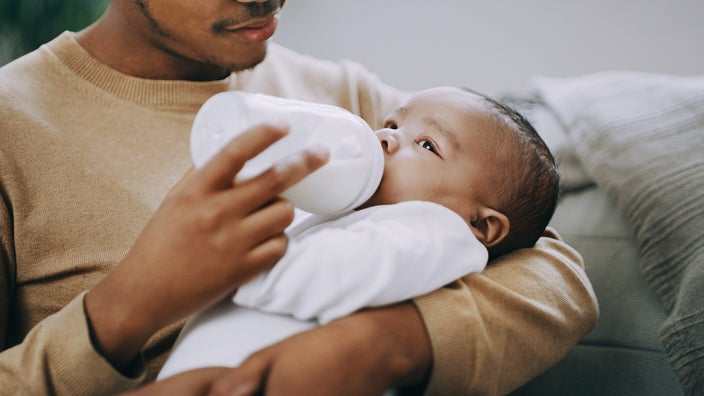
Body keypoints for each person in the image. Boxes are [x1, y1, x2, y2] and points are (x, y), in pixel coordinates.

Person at [0, 1, 598, 395]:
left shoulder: (340, 93)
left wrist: (384, 344)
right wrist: (127, 306)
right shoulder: (12, 128)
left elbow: (549, 265)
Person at [157, 85, 562, 380]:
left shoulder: (438, 231)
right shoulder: (344, 206)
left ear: (480, 225)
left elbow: (328, 273)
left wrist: (223, 263)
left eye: (425, 145)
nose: (385, 137)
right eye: (392, 123)